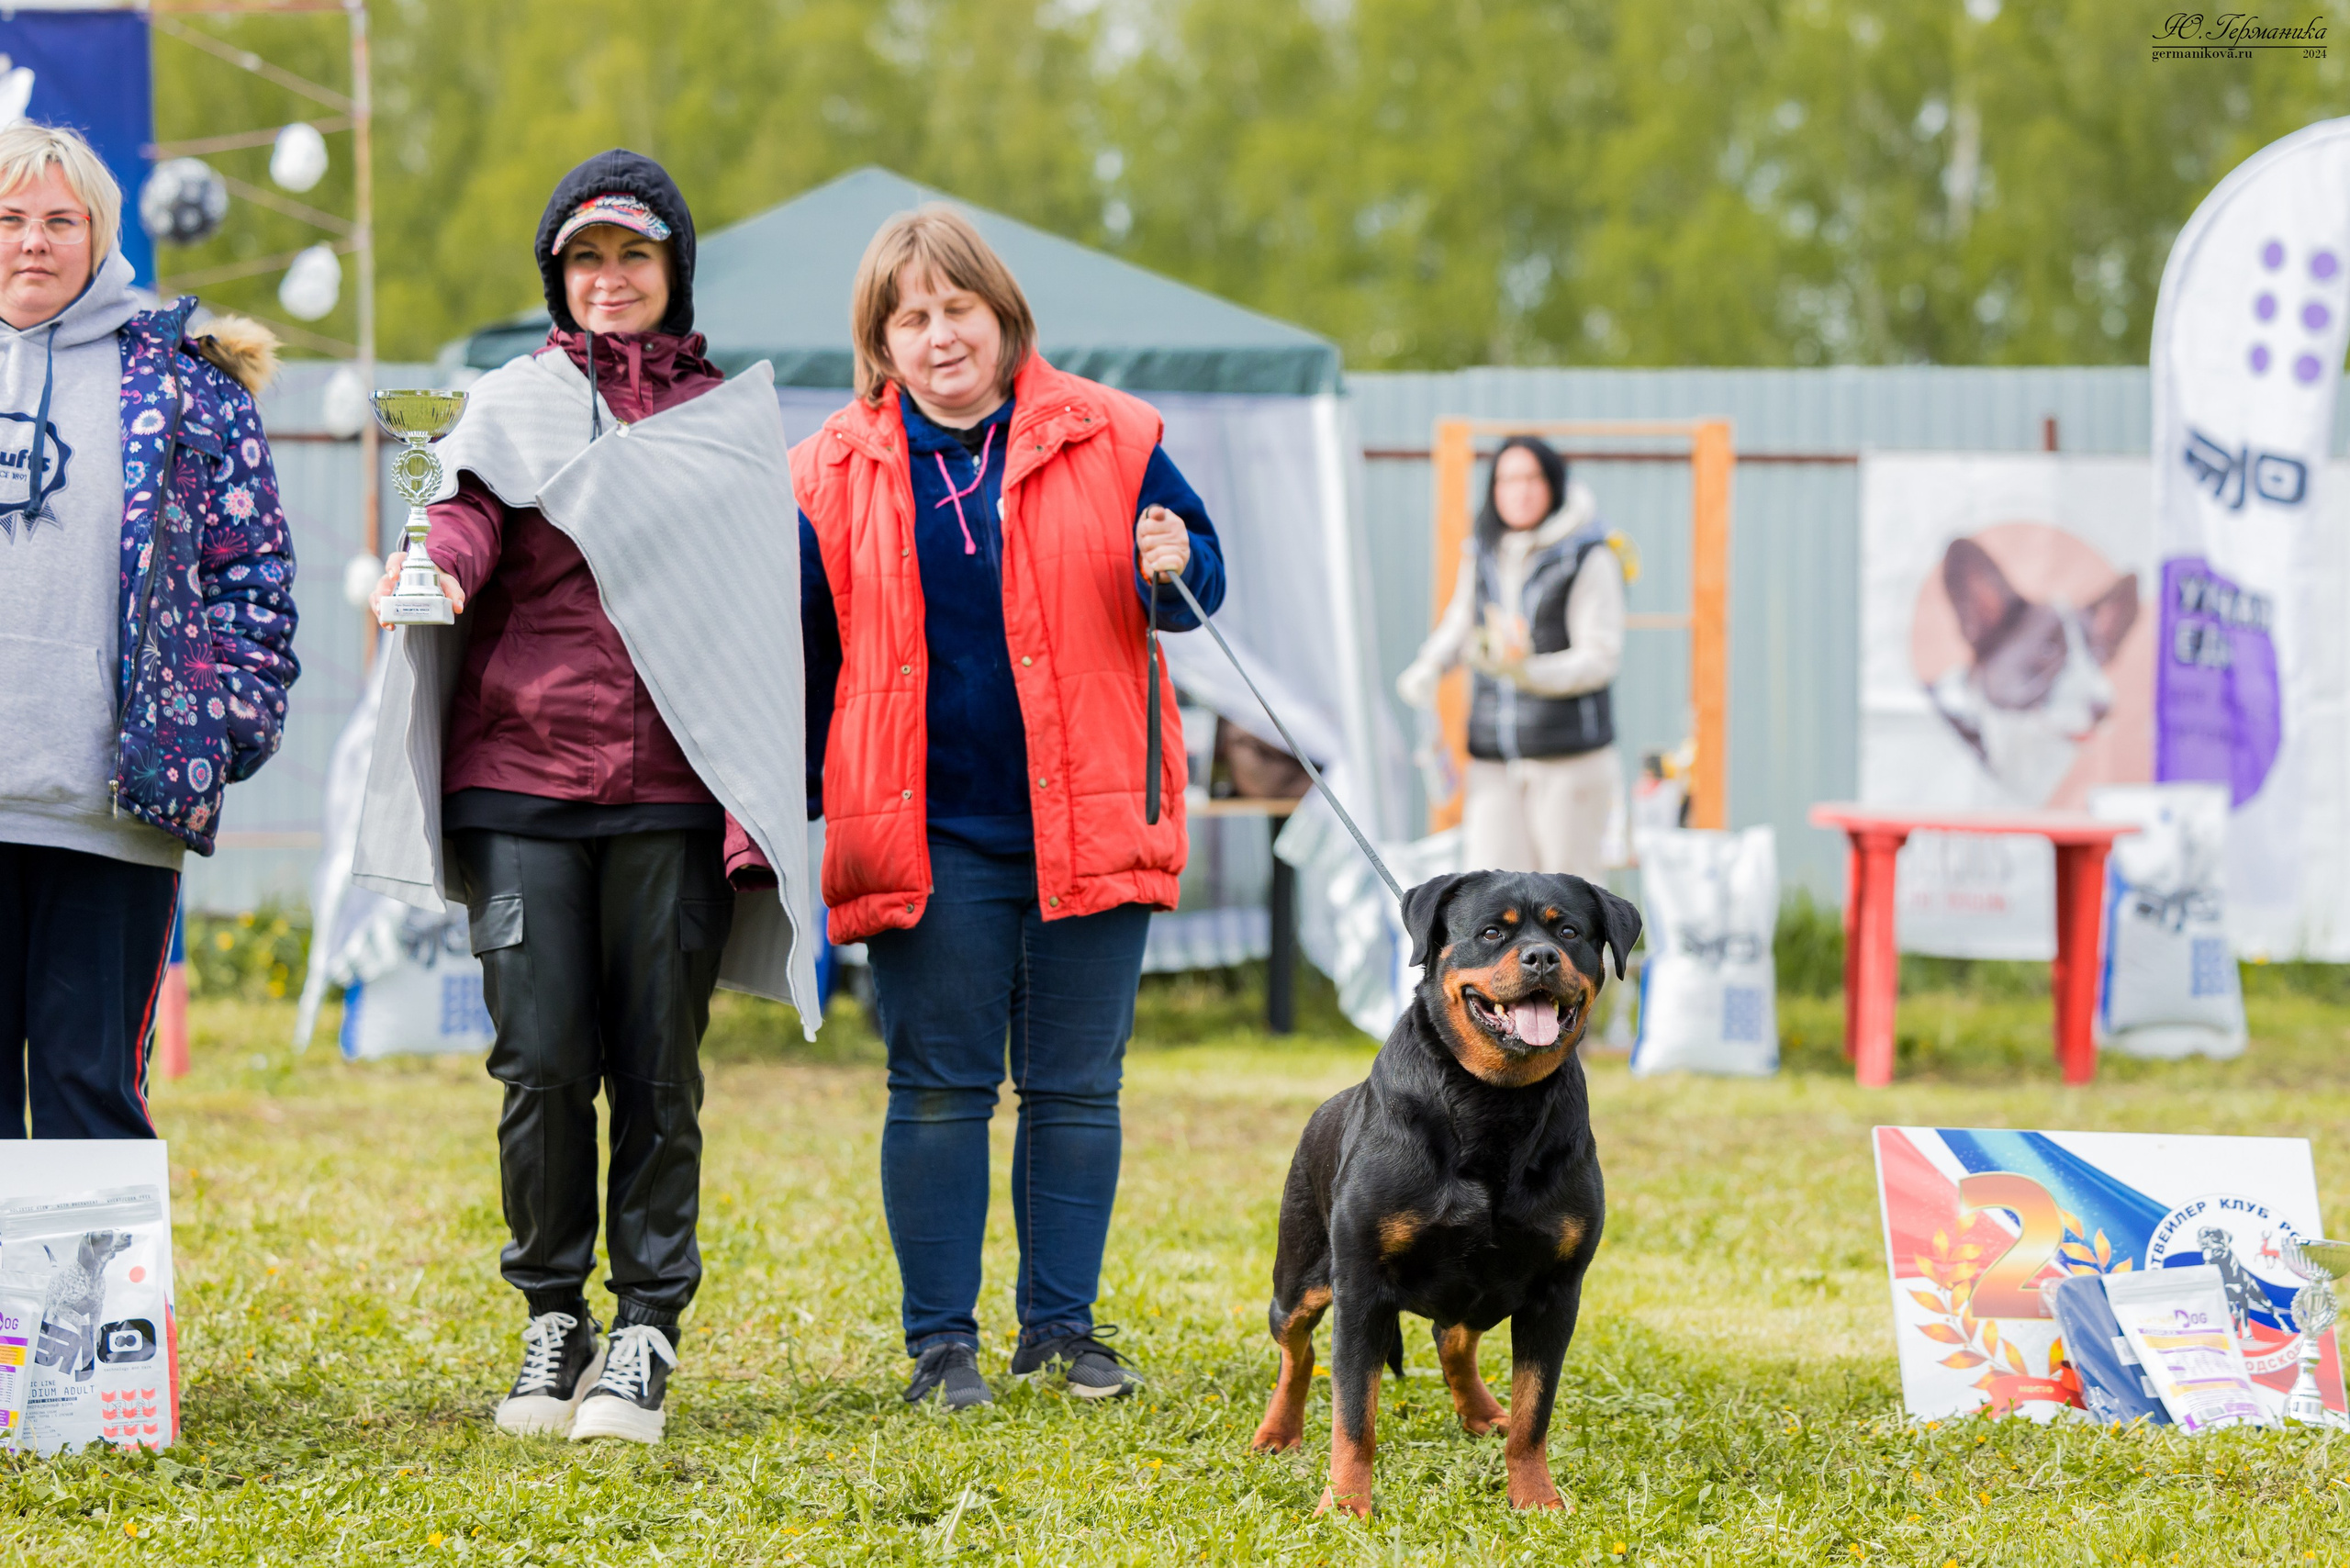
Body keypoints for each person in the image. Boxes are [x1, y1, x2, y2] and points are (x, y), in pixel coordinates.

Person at [367, 151, 789, 1446]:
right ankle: (553, 1318)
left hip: (673, 791)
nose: (610, 278)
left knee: (659, 1070)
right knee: (542, 1066)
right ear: (558, 277)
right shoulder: (508, 404)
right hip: (521, 783)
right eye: (586, 257)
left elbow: (770, 600)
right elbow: (462, 515)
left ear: (674, 271)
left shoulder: (725, 422)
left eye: (634, 255)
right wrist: (430, 567)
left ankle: (646, 1329)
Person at [796, 207, 1223, 1410]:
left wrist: (1177, 558)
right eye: (911, 318)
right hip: (925, 833)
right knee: (939, 1088)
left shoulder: (1115, 435)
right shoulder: (826, 470)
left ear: (1002, 315)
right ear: (881, 342)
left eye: (959, 309)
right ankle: (942, 1347)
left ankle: (1061, 1331)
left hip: (1090, 812)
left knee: (1076, 1085)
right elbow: (802, 654)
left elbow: (1197, 586)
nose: (940, 336)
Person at [0, 122, 293, 1137]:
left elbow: (253, 575)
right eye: (9, 218)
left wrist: (215, 725)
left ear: (101, 233)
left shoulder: (184, 383)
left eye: (59, 220)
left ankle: (100, 1265)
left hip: (112, 812)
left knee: (90, 1100)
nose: (32, 241)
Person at [1397, 435, 1626, 879]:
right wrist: (1430, 665)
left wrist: (1527, 673)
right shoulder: (1483, 547)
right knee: (1489, 888)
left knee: (1567, 891)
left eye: (1531, 479)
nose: (1519, 491)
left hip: (1567, 757)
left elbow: (1600, 659)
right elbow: (1461, 620)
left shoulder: (1587, 553)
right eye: (1507, 480)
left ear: (1554, 484)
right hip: (1493, 757)